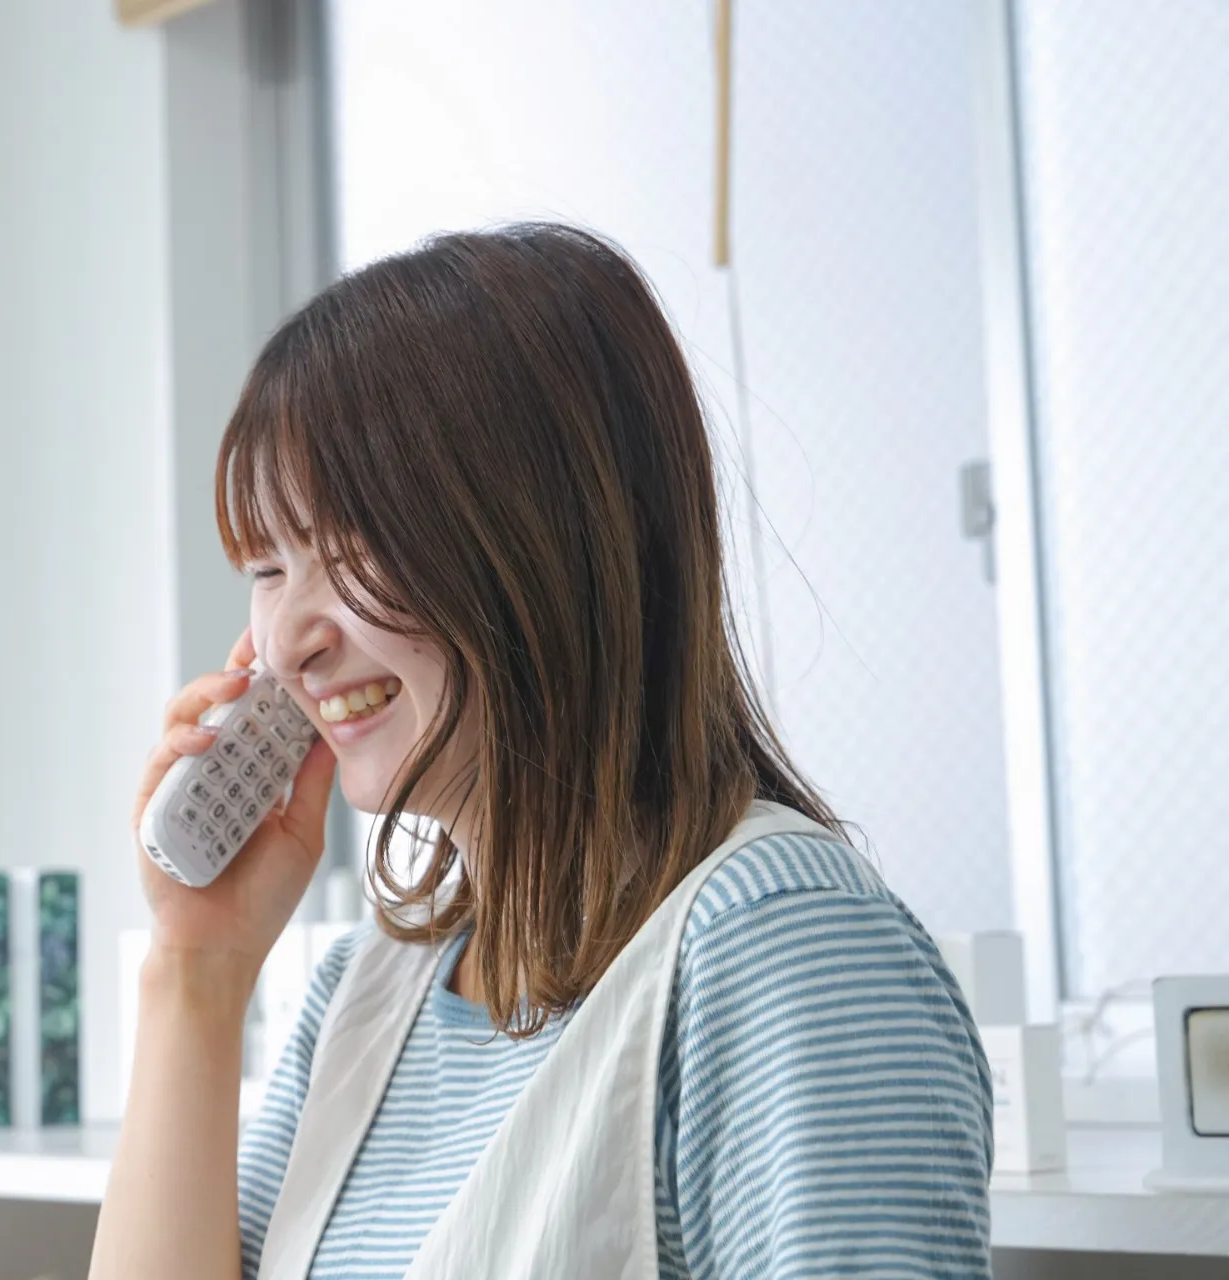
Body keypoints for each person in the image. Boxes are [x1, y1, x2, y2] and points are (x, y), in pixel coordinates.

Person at [90, 224, 993, 1280]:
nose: (290, 638)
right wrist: (196, 966)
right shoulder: (367, 991)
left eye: (350, 545)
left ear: (535, 533)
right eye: (266, 564)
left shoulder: (777, 940)